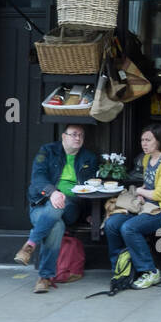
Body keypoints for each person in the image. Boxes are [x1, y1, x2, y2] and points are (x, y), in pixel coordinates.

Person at [14, 124, 98, 294]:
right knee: (56, 226)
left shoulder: (88, 157)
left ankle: (30, 245)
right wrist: (53, 192)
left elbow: (91, 186)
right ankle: (44, 277)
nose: (78, 138)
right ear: (63, 136)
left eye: (81, 135)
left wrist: (91, 213)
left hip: (72, 207)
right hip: (40, 204)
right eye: (73, 134)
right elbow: (37, 179)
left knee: (59, 205)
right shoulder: (48, 151)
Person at [104, 124, 161, 290]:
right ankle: (121, 268)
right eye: (142, 140)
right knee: (111, 223)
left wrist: (139, 191)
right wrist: (142, 192)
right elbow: (149, 183)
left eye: (148, 140)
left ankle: (150, 271)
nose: (144, 143)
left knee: (129, 228)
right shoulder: (147, 159)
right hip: (145, 206)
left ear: (159, 141)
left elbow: (160, 195)